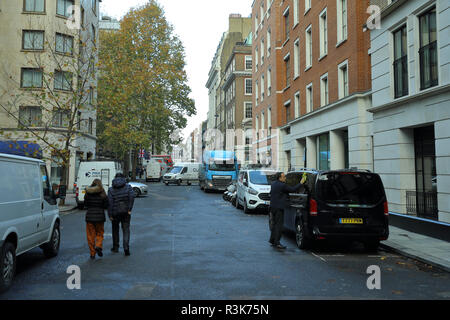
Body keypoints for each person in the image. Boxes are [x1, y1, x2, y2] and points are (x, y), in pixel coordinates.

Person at [269, 172, 306, 249]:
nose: (285, 178)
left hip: (272, 207)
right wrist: (301, 183)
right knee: (279, 225)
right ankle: (277, 242)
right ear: (280, 178)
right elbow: (293, 189)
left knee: (275, 224)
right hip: (279, 208)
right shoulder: (282, 185)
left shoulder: (273, 184)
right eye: (283, 177)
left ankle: (272, 240)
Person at [107, 173, 135, 256]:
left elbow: (110, 203)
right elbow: (131, 198)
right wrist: (130, 209)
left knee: (115, 230)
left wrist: (110, 215)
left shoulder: (111, 189)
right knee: (126, 230)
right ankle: (126, 247)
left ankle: (115, 247)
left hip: (115, 213)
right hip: (126, 212)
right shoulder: (128, 187)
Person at [84, 179, 109, 259]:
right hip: (100, 217)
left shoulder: (88, 192)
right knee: (100, 233)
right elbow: (106, 205)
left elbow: (85, 204)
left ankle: (92, 253)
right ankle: (98, 245)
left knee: (90, 235)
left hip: (90, 217)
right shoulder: (102, 192)